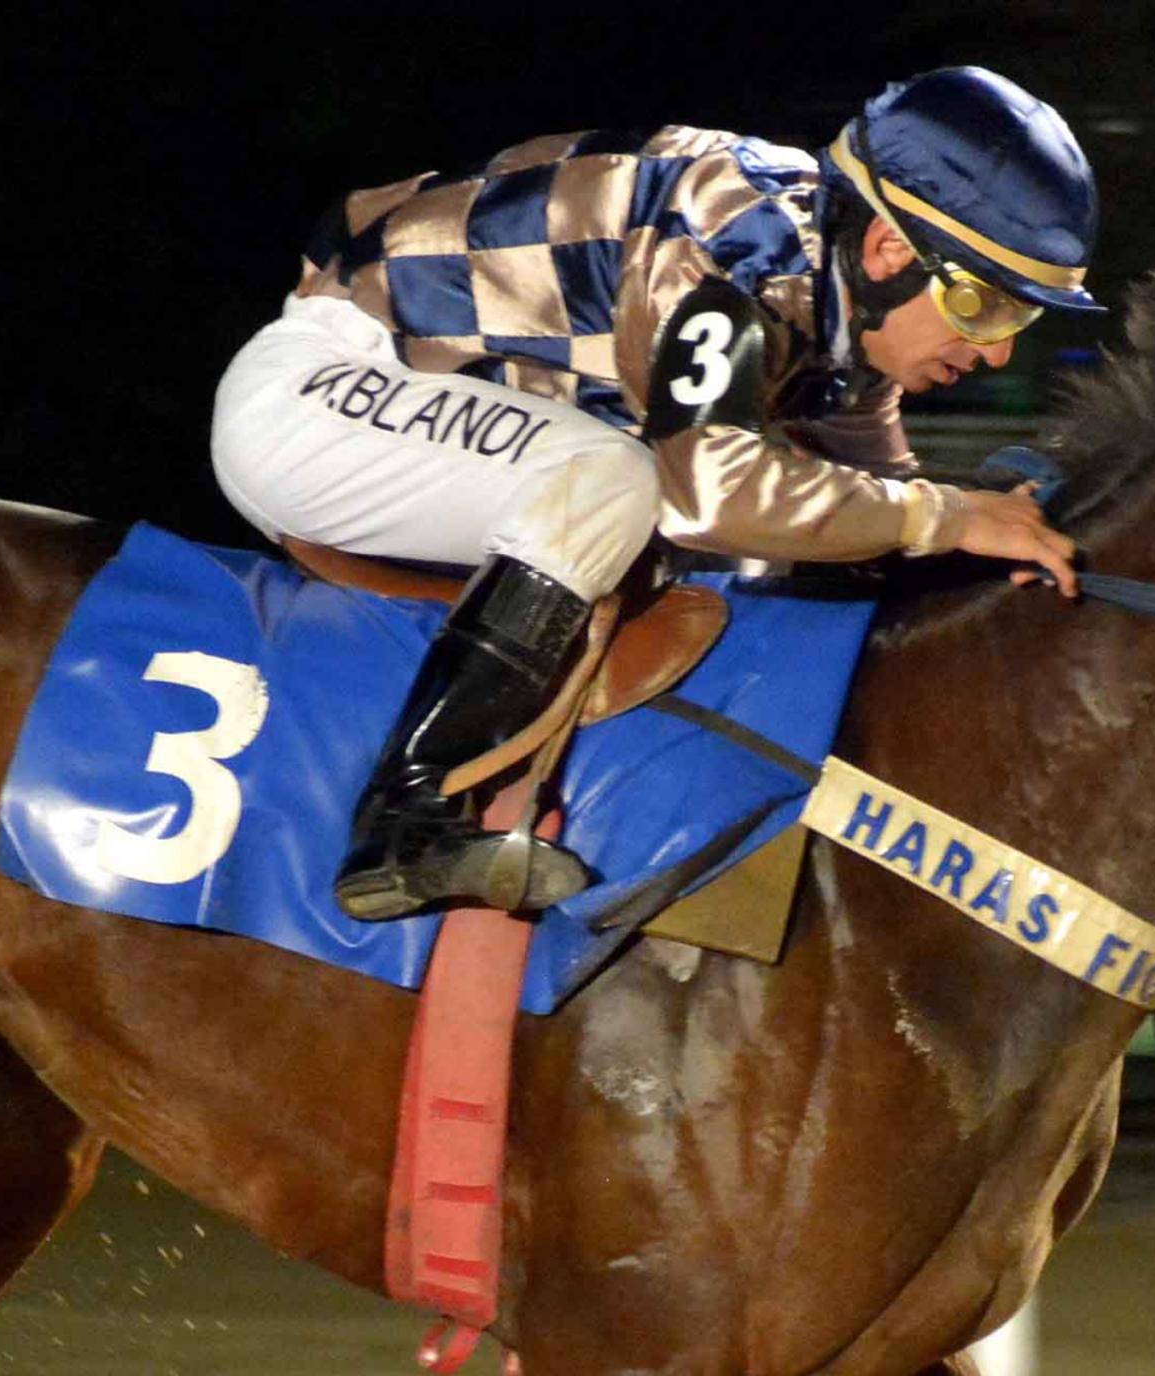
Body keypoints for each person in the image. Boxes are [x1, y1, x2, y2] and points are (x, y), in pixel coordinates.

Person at [211, 65, 1097, 922]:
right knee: (620, 484)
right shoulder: (734, 248)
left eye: (1022, 319)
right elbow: (710, 495)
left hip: (418, 409)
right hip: (324, 395)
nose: (997, 354)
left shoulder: (838, 312)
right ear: (890, 249)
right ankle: (403, 821)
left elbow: (872, 507)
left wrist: (983, 536)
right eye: (984, 307)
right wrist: (946, 516)